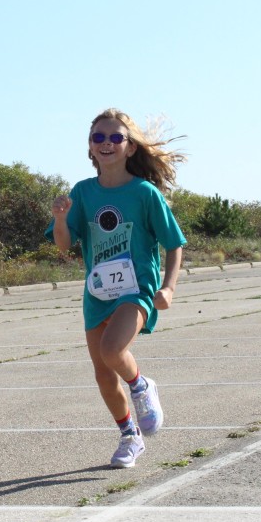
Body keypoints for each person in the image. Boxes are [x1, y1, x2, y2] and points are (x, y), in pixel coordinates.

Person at [47, 108, 186, 469]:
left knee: (113, 349)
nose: (106, 143)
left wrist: (168, 288)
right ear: (90, 146)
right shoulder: (82, 192)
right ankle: (129, 436)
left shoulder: (144, 193)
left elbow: (174, 244)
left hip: (136, 289)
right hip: (97, 293)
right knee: (104, 375)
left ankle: (141, 386)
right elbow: (64, 245)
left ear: (130, 147)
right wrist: (60, 219)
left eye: (115, 137)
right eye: (98, 137)